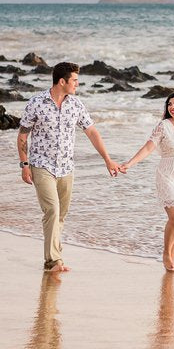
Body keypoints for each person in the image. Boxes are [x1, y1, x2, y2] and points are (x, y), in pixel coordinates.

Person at [18, 62, 121, 272]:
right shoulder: (36, 103)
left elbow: (92, 132)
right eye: (74, 80)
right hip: (41, 165)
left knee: (61, 214)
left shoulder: (76, 105)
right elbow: (22, 136)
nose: (77, 84)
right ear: (62, 81)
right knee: (52, 210)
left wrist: (107, 159)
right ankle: (53, 261)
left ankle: (55, 253)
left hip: (66, 167)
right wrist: (24, 165)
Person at [120, 91, 174, 272]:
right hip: (167, 175)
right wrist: (129, 163)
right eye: (169, 104)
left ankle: (172, 261)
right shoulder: (164, 126)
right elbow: (148, 148)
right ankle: (166, 255)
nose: (172, 107)